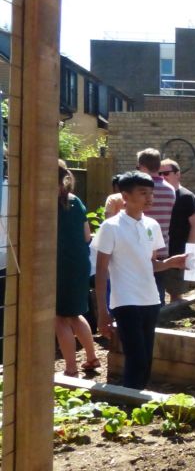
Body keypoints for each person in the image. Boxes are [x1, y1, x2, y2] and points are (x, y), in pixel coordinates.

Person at [93, 171, 188, 389]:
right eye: (143, 192)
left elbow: (151, 264)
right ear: (125, 196)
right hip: (125, 301)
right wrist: (102, 312)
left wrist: (172, 263)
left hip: (151, 300)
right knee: (136, 357)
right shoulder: (110, 227)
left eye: (151, 193)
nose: (149, 198)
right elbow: (101, 271)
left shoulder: (152, 225)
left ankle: (137, 401)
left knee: (146, 358)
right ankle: (128, 402)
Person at [56, 160, 99, 377]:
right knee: (76, 313)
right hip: (80, 263)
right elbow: (87, 236)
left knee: (60, 318)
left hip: (59, 265)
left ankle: (71, 368)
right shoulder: (76, 201)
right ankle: (91, 357)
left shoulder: (46, 202)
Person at [136, 148, 177, 304]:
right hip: (161, 247)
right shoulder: (170, 189)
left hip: (140, 247)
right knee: (157, 291)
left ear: (142, 166)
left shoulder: (139, 190)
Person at [160, 158, 195, 303]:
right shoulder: (156, 195)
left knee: (175, 293)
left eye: (166, 173)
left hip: (178, 251)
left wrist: (189, 250)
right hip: (159, 251)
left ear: (178, 174)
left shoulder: (186, 197)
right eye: (159, 174)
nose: (162, 177)